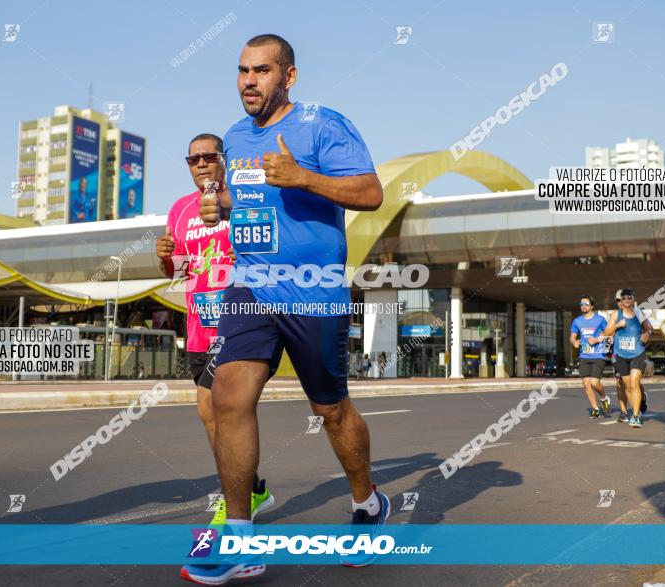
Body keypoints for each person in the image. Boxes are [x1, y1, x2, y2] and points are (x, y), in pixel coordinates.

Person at [182, 34, 386, 585]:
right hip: (249, 286)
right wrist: (217, 206)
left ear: (288, 77)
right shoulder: (234, 136)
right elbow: (244, 200)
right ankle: (241, 541)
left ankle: (367, 504)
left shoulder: (322, 125)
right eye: (243, 71)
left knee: (332, 411)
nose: (249, 81)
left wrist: (305, 178)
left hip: (313, 288)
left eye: (262, 71)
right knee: (228, 394)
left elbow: (371, 193)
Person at [156, 133, 273, 530]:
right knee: (211, 416)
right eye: (194, 159)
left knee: (211, 407)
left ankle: (236, 502)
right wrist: (164, 259)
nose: (202, 164)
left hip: (238, 317)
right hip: (197, 325)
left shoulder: (242, 198)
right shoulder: (179, 209)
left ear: (224, 159)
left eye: (209, 156)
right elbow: (178, 269)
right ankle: (251, 488)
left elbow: (266, 245)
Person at [603, 288, 652, 428]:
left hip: (637, 353)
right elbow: (606, 333)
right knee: (627, 386)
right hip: (621, 355)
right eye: (623, 298)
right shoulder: (615, 315)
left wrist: (647, 334)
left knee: (634, 383)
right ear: (621, 301)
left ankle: (635, 416)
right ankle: (638, 405)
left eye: (629, 297)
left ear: (633, 299)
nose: (626, 300)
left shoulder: (639, 313)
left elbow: (648, 328)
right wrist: (617, 325)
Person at [570, 295, 610, 418]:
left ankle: (603, 398)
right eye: (581, 304)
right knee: (586, 383)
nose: (583, 306)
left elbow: (609, 333)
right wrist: (574, 342)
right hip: (584, 355)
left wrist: (597, 339)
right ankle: (595, 409)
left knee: (594, 382)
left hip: (598, 354)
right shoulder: (577, 321)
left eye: (586, 304)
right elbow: (572, 336)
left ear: (592, 306)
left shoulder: (600, 319)